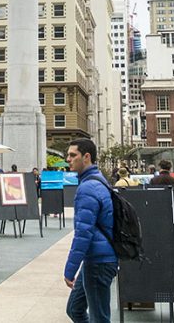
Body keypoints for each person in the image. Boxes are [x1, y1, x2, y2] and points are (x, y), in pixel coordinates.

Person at [63, 138, 117, 323]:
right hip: (96, 259)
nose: (68, 159)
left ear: (86, 157)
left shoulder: (88, 188)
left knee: (99, 318)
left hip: (99, 262)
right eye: (67, 155)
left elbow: (83, 234)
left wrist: (70, 269)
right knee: (75, 309)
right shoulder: (97, 180)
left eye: (72, 155)